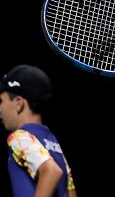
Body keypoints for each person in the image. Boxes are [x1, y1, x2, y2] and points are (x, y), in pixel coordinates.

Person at [0, 65, 77, 197]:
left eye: (1, 101)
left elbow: (52, 172)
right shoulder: (53, 142)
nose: (0, 108)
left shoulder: (20, 137)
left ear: (19, 103)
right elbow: (70, 191)